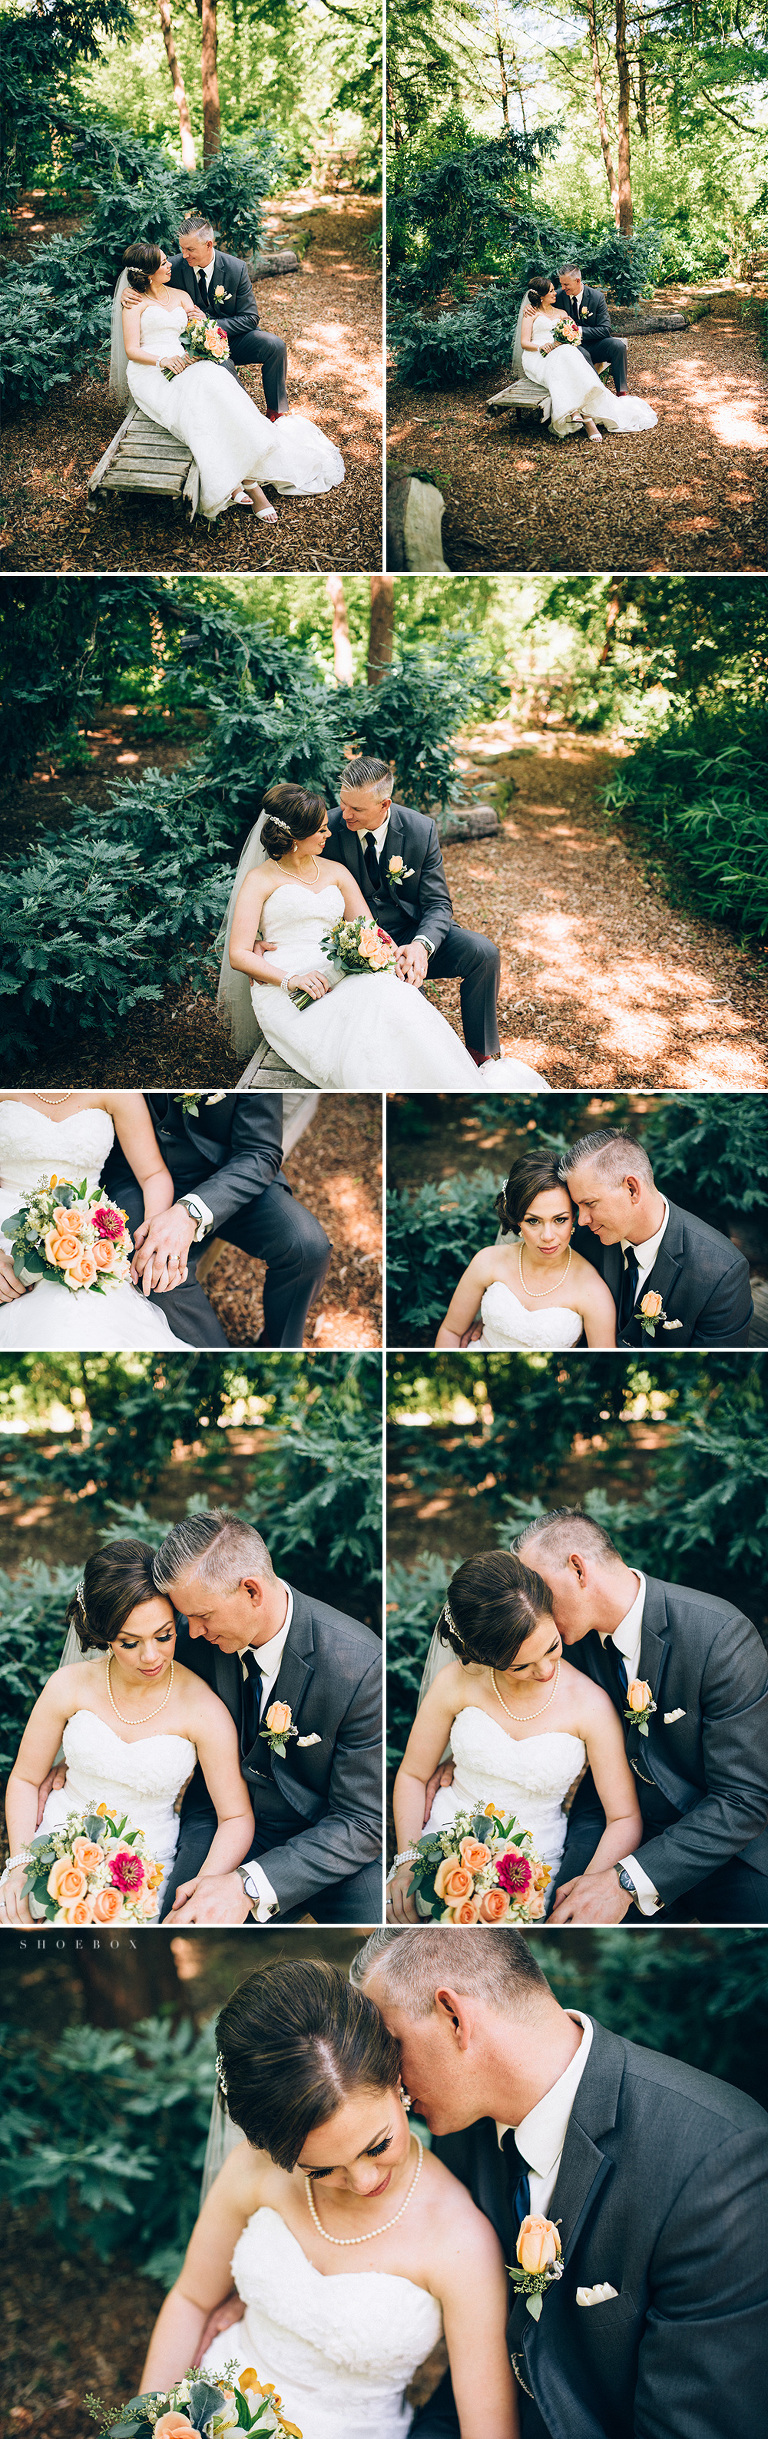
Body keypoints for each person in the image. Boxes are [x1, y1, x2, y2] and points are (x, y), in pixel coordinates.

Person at [355, 1926, 768, 2439]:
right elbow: (483, 2364)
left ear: (455, 2017)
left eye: (390, 2045)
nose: (387, 2078)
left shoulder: (715, 2163)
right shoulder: (462, 2138)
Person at [139, 1958, 518, 2439]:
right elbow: (192, 2299)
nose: (362, 2181)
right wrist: (151, 2420)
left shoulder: (461, 2239)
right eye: (321, 2170)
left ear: (397, 2080)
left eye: (377, 2145)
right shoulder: (253, 2169)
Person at [513, 1510, 768, 1923]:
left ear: (578, 1569)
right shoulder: (565, 1642)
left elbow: (744, 1800)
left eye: (539, 1593)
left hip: (727, 1845)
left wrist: (625, 1881)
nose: (533, 1611)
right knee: (555, 1915)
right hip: (613, 1817)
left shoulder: (720, 1637)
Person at [221, 782, 550, 1091]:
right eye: (321, 829)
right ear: (296, 838)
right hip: (290, 984)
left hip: (342, 966)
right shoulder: (259, 879)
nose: (330, 830)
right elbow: (239, 954)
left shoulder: (335, 871)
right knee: (354, 1033)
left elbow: (368, 927)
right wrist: (289, 978)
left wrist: (388, 950)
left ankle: (453, 1077)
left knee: (395, 998)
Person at [0, 1540, 254, 1926]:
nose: (150, 1656)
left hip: (146, 1871)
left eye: (164, 1635)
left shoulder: (203, 1708)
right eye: (129, 1643)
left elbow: (236, 1817)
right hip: (51, 1845)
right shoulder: (68, 1685)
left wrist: (205, 1884)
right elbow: (23, 1778)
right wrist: (20, 1860)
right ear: (104, 1637)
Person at [148, 1511, 383, 1925]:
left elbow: (363, 1820)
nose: (195, 1632)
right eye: (189, 1618)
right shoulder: (189, 1637)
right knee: (179, 1919)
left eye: (204, 1616)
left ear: (252, 1591)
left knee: (381, 1923)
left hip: (330, 1838)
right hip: (223, 1818)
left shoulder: (360, 1666)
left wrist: (247, 1886)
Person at [387, 1553, 640, 1922]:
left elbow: (624, 1817)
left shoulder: (592, 1705)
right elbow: (412, 1776)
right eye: (520, 1666)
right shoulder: (457, 1682)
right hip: (438, 1848)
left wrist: (589, 1884)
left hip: (537, 1873)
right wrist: (409, 1857)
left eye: (552, 1646)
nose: (544, 1670)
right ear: (485, 1658)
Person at [113, 241, 343, 522]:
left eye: (167, 259)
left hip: (186, 361)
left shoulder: (182, 295)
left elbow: (200, 329)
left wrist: (199, 327)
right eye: (163, 262)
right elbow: (131, 351)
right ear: (148, 273)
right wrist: (162, 361)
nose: (171, 262)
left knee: (216, 381)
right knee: (198, 402)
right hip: (152, 370)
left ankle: (243, 474)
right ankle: (249, 484)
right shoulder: (134, 303)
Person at [102, 1092, 331, 1351]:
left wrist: (189, 1213)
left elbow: (260, 1150)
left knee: (308, 1247)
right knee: (154, 1272)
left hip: (229, 1171)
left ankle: (277, 1346)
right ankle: (218, 1354)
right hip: (139, 1175)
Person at [323, 759, 510, 1075]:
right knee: (408, 994)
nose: (346, 814)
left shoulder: (420, 830)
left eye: (356, 809)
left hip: (413, 932)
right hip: (360, 944)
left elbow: (438, 904)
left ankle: (481, 1053)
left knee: (484, 954)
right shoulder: (327, 829)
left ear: (385, 804)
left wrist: (421, 946)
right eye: (343, 803)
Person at [0, 1091, 195, 1350]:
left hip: (90, 1234)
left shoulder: (120, 1095)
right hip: (9, 1226)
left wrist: (154, 1233)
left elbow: (154, 1174)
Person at [561, 1127, 754, 1346]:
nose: (582, 1220)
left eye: (589, 1203)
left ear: (632, 1189)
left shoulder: (722, 1273)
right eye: (578, 1206)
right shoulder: (583, 1240)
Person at [434, 1153, 617, 1349]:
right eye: (533, 1221)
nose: (547, 1236)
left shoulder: (593, 1291)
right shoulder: (487, 1261)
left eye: (560, 1219)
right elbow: (451, 1331)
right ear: (517, 1221)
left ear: (574, 1218)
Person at [170, 210, 289, 421]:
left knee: (275, 346)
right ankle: (247, 420)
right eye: (182, 248)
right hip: (192, 346)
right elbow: (145, 281)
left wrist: (209, 324)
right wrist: (130, 292)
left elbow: (250, 318)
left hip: (232, 339)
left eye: (190, 249)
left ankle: (275, 411)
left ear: (208, 245)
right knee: (225, 366)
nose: (184, 254)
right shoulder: (175, 266)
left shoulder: (236, 269)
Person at [519, 274, 656, 442]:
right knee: (566, 358)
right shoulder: (531, 314)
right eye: (552, 290)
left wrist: (566, 337)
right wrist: (542, 346)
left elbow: (573, 330)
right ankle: (587, 420)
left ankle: (580, 412)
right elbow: (524, 342)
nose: (558, 292)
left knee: (567, 355)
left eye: (557, 289)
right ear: (541, 297)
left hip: (561, 350)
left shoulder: (562, 312)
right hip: (538, 354)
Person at [555, 266, 628, 396]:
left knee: (618, 346)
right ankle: (598, 394)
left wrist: (578, 331)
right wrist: (528, 308)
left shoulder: (597, 297)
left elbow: (605, 329)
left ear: (578, 281)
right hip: (571, 349)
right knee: (582, 354)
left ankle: (621, 393)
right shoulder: (559, 296)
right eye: (561, 284)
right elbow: (541, 303)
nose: (563, 287)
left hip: (595, 345)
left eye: (566, 284)